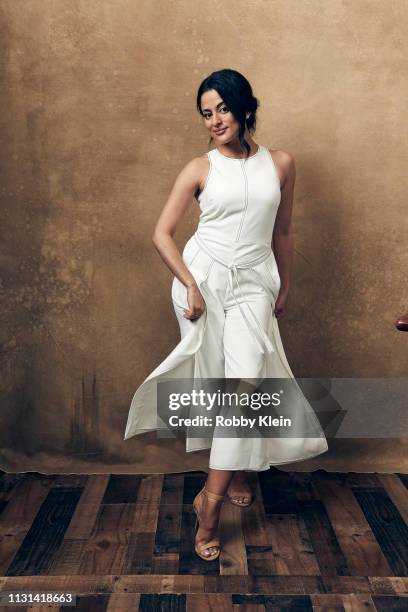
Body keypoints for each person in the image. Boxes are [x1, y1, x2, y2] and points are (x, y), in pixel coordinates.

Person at [124, 69, 328, 561]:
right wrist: (191, 285)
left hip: (255, 283)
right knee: (221, 383)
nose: (215, 120)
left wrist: (283, 285)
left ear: (244, 108)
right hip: (203, 283)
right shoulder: (199, 168)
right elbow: (161, 234)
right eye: (206, 113)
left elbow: (282, 232)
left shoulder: (280, 164)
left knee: (247, 382)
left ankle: (208, 505)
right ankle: (231, 476)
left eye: (222, 109)